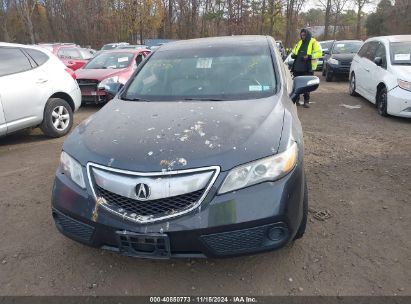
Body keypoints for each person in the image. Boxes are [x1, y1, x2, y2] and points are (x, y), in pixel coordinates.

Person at [291, 28, 322, 108]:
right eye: (301, 35)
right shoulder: (300, 42)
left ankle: (306, 101)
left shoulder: (313, 42)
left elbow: (319, 53)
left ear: (307, 34)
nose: (303, 37)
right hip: (297, 67)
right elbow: (294, 51)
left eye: (304, 35)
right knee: (296, 84)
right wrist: (293, 54)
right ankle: (296, 100)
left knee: (307, 85)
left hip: (308, 67)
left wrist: (309, 56)